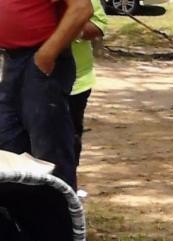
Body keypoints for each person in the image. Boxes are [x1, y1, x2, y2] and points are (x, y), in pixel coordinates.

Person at [0, 0, 93, 189]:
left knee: (50, 152)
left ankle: (58, 215)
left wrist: (46, 55)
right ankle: (20, 215)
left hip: (40, 59)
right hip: (13, 60)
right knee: (9, 146)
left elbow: (82, 8)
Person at [69, 0, 108, 182]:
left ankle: (67, 193)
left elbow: (97, 26)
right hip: (19, 79)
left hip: (74, 84)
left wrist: (65, 28)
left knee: (68, 143)